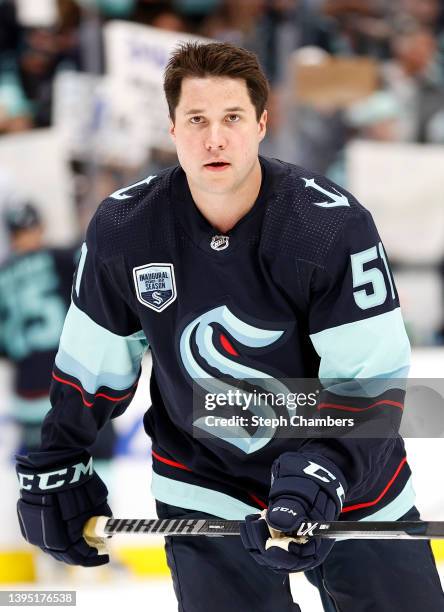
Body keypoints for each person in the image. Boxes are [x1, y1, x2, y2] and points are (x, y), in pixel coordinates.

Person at [15, 42, 444, 611]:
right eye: (196, 120)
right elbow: (93, 360)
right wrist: (60, 458)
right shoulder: (125, 228)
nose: (214, 138)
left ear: (262, 124)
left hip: (352, 480)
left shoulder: (330, 227)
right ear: (171, 127)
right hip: (205, 477)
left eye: (232, 118)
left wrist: (323, 470)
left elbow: (370, 380)